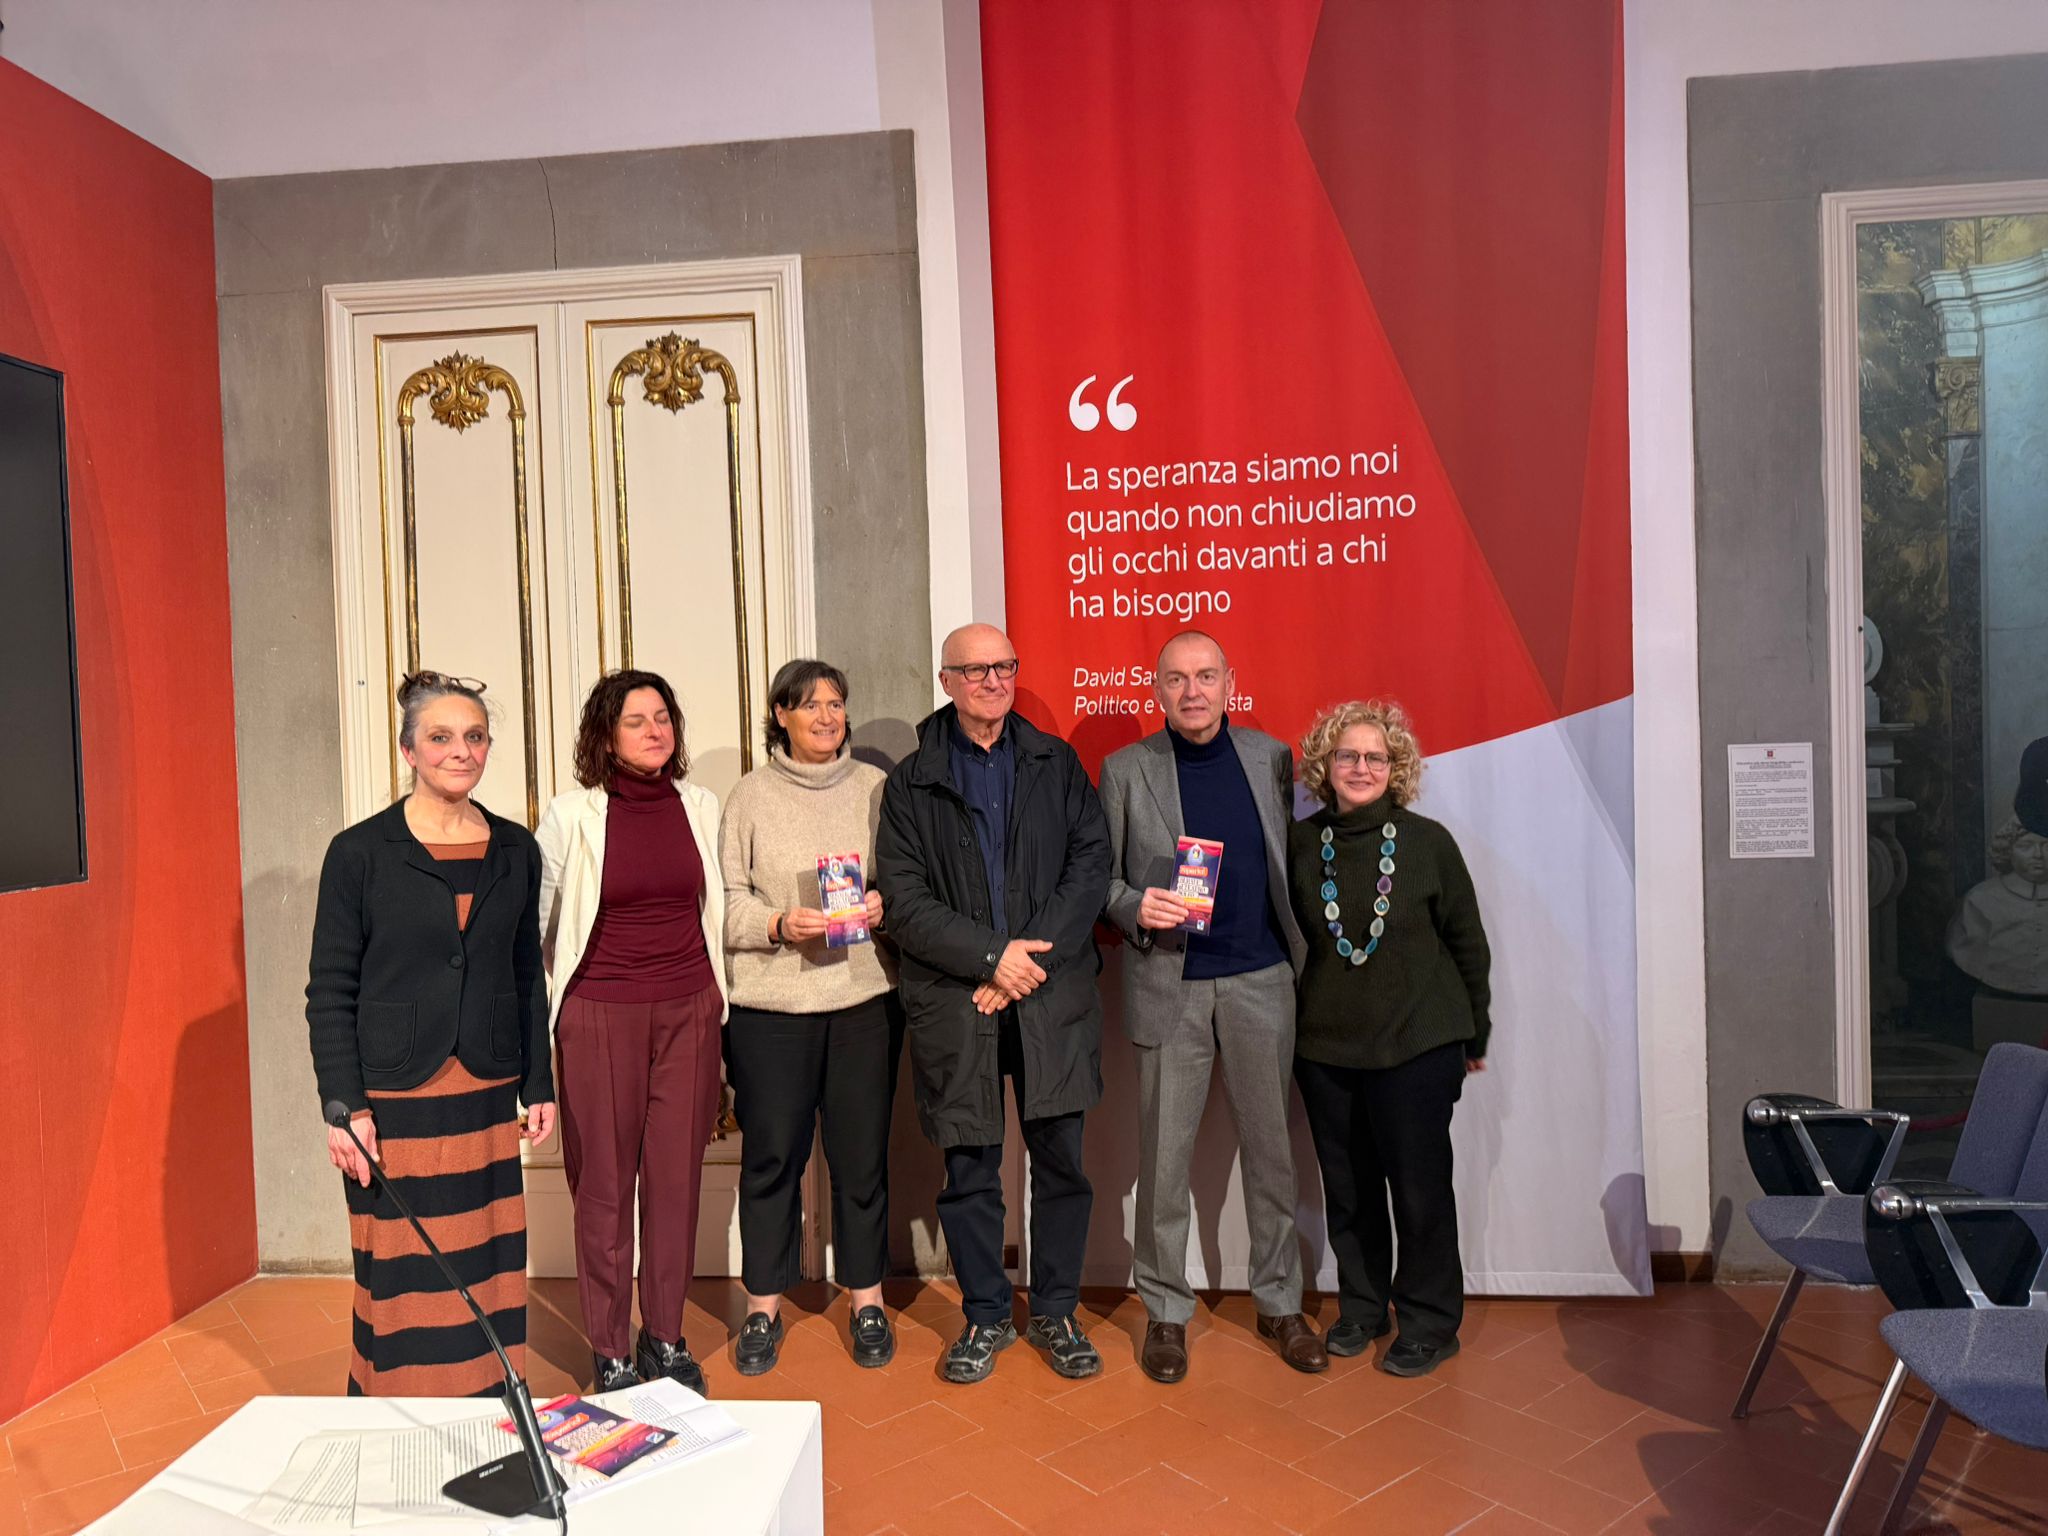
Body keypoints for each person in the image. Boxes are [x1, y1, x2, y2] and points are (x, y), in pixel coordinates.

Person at [873, 623, 1112, 1384]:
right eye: (974, 670)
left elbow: (1090, 863)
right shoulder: (912, 781)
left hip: (1048, 995)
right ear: (946, 681)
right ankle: (983, 1317)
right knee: (970, 1169)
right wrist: (988, 958)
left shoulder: (1056, 763)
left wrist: (1024, 959)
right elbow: (904, 902)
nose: (991, 681)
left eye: (1003, 666)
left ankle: (1057, 1312)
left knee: (1062, 1166)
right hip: (960, 1002)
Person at [305, 671, 556, 1396]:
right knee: (401, 1260)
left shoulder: (515, 848)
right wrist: (343, 1107)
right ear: (409, 750)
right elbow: (330, 990)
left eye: (474, 736)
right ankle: (395, 1409)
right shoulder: (359, 853)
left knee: (486, 1255)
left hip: (484, 1086)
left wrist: (537, 1080)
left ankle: (490, 1401)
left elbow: (523, 975)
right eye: (441, 737)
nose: (461, 751)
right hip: (392, 1095)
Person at [1099, 632, 1325, 1382]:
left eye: (1205, 676)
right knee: (1163, 1160)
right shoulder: (1126, 771)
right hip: (1172, 982)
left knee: (1272, 1154)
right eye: (1176, 679)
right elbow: (1095, 879)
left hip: (1263, 981)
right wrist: (1139, 904)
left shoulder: (1270, 757)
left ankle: (1280, 1301)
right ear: (1155, 690)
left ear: (1231, 681)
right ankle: (1165, 1311)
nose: (1192, 691)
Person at [535, 670, 727, 1395]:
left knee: (676, 1183)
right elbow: (539, 925)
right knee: (606, 1189)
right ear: (605, 737)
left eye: (663, 718)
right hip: (599, 1012)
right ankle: (611, 1348)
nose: (654, 731)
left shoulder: (700, 805)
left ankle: (665, 1338)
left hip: (689, 1011)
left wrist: (712, 1000)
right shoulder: (571, 816)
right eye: (636, 721)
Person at [1288, 698, 1491, 1377]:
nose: (1362, 767)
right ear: (1325, 764)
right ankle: (1364, 1309)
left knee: (1419, 1191)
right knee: (1349, 1192)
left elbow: (1467, 941)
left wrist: (1477, 1030)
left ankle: (1431, 1322)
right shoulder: (1299, 845)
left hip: (1420, 1046)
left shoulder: (1428, 842)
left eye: (1376, 757)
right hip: (1326, 1049)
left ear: (1396, 768)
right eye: (1348, 755)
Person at [718, 658, 900, 1375]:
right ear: (781, 716)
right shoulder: (749, 797)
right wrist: (774, 924)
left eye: (836, 703)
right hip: (772, 1011)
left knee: (862, 1162)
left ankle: (867, 1301)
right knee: (770, 1162)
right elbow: (725, 904)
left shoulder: (876, 790)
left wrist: (884, 904)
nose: (827, 716)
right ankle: (762, 1307)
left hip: (862, 1002)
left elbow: (903, 878)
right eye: (810, 705)